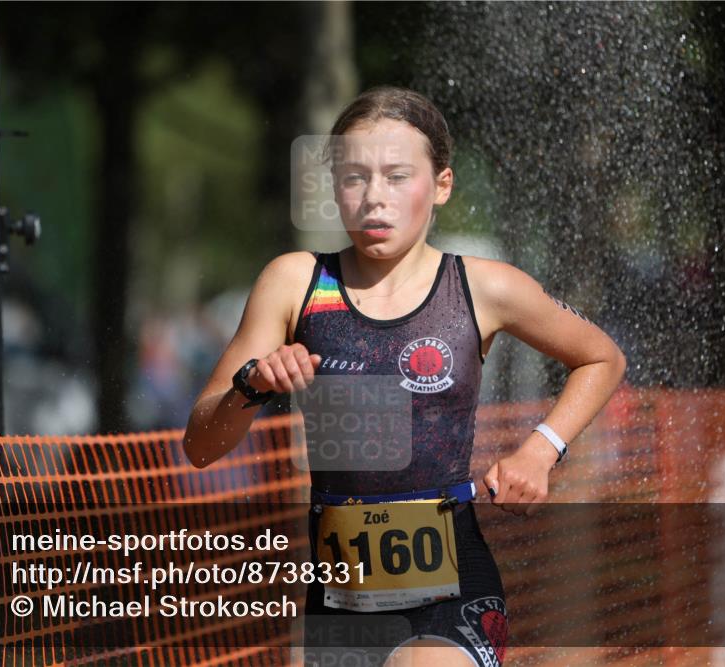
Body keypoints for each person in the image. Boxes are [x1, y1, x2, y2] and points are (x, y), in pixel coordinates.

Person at [184, 85, 626, 667]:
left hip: (452, 590)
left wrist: (541, 450)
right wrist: (251, 385)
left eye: (397, 176)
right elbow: (199, 446)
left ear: (441, 185)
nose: (374, 199)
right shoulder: (295, 284)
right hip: (338, 595)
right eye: (354, 178)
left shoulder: (483, 286)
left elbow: (601, 358)